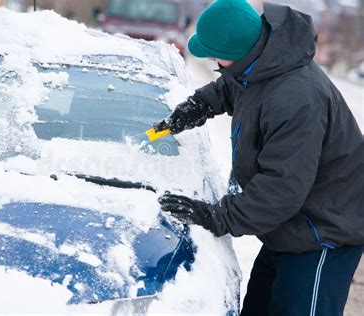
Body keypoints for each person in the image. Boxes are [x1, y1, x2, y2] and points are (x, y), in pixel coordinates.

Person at [153, 1, 364, 315]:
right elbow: (234, 86)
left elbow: (281, 188)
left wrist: (217, 216)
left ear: (238, 52)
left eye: (214, 54)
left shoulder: (295, 98)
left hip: (323, 231)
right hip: (288, 226)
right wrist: (198, 105)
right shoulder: (262, 63)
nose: (211, 59)